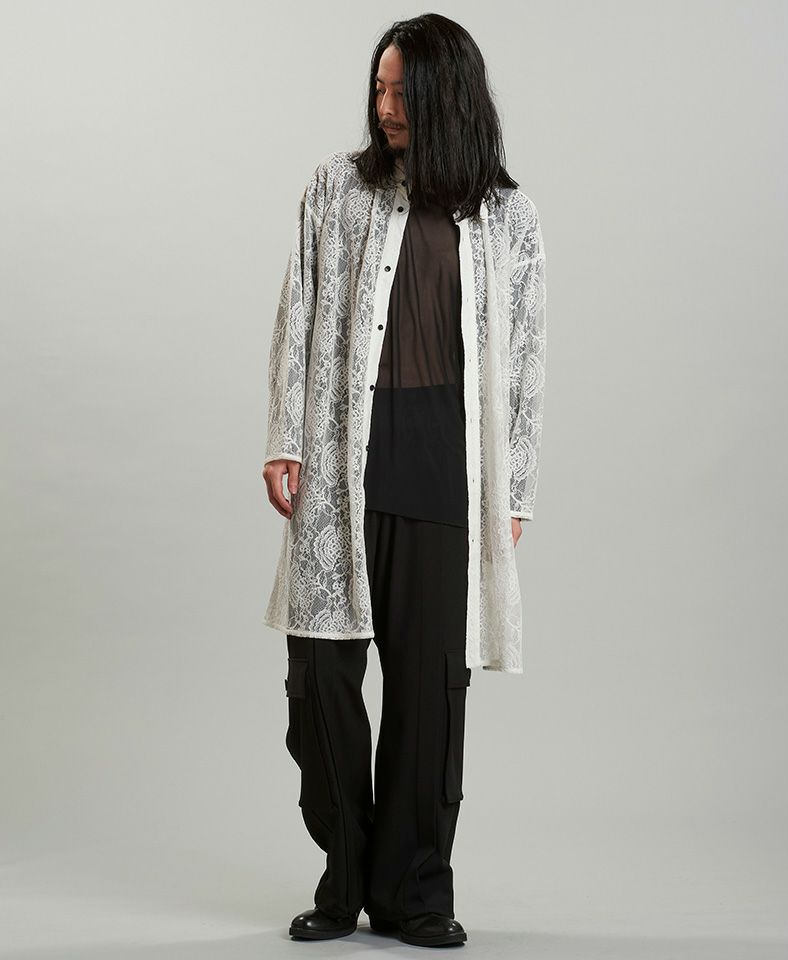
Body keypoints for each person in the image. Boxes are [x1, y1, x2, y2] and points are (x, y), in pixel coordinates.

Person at [261, 13, 546, 948]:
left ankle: (416, 892)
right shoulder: (335, 189)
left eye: (402, 93)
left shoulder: (507, 217)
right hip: (342, 455)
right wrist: (285, 437)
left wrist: (512, 492)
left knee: (429, 696)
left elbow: (526, 359)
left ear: (445, 97)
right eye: (379, 90)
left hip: (442, 468)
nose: (385, 108)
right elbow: (299, 311)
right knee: (318, 682)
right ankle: (344, 875)